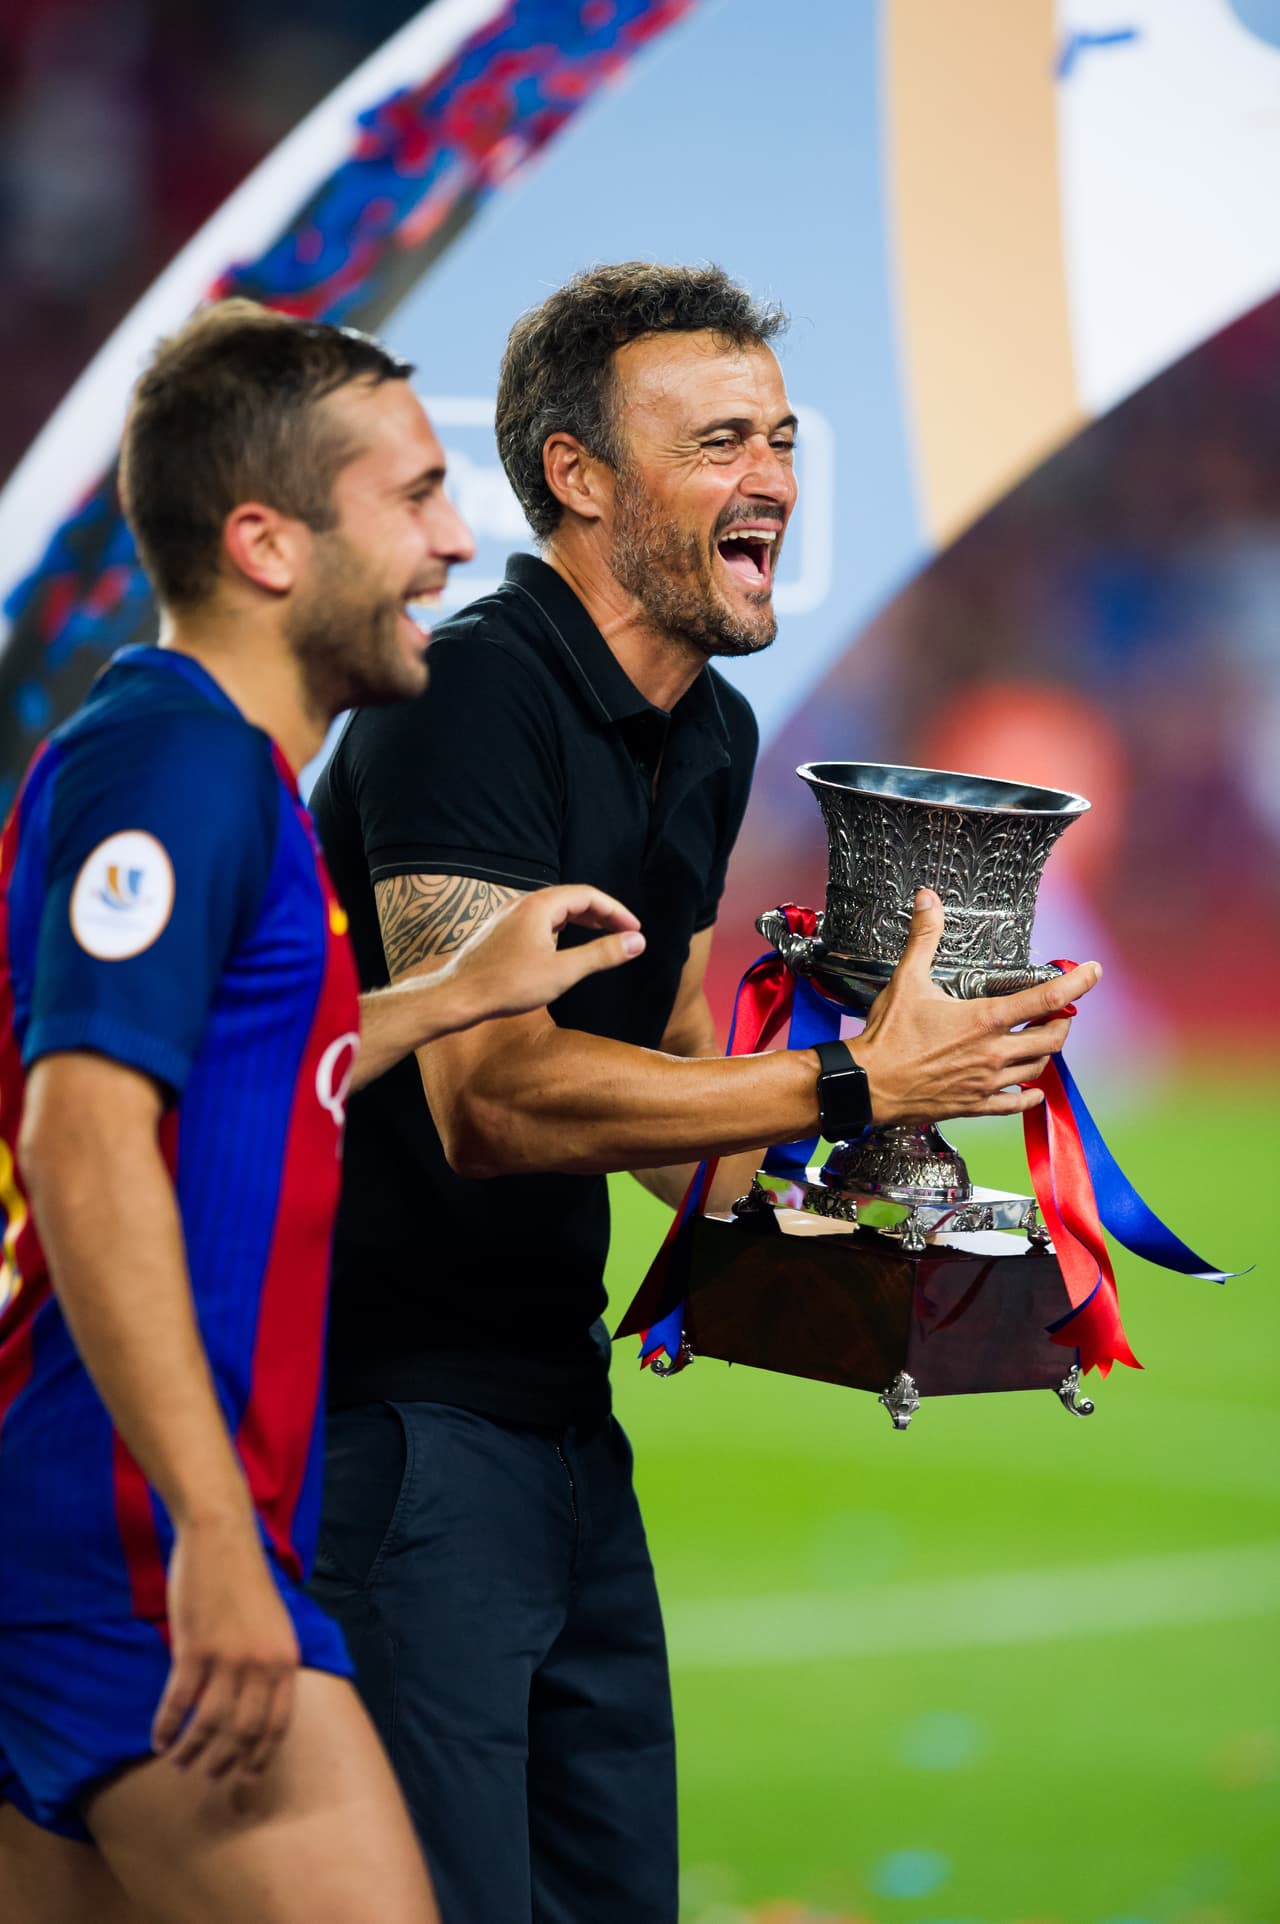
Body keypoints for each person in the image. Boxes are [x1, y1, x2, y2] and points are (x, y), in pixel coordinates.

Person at [311, 261, 1100, 1924]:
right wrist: (846, 1078)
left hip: (559, 1419)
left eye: (784, 439)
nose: (775, 480)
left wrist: (889, 1196)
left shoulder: (714, 730)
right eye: (721, 441)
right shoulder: (466, 698)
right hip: (389, 1428)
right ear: (580, 477)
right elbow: (491, 1101)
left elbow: (676, 1081)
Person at [0, 298, 647, 1924]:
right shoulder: (177, 770)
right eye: (415, 495)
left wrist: (457, 995)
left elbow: (238, 1070)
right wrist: (212, 1531)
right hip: (130, 1546)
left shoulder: (211, 771)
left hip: (87, 1533)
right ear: (267, 543)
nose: (455, 540)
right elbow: (83, 1135)